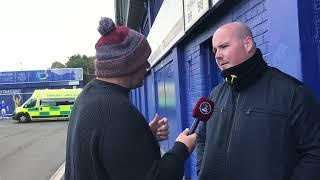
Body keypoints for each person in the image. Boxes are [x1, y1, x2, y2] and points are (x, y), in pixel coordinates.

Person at [65, 17, 197, 180]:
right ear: (128, 64)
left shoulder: (87, 96)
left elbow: (112, 153)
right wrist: (181, 149)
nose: (148, 65)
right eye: (143, 59)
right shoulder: (116, 112)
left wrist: (144, 136)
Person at [196, 22, 320, 180]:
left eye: (224, 46)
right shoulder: (215, 94)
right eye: (215, 50)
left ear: (247, 44)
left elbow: (315, 153)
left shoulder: (293, 92)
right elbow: (202, 137)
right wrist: (203, 170)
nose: (217, 55)